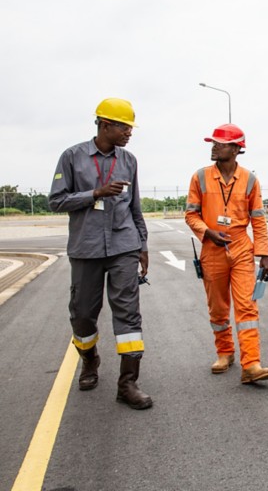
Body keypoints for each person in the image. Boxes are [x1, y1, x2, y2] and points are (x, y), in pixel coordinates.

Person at [48, 98, 152, 410]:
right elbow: (56, 200)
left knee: (128, 313)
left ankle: (128, 383)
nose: (129, 133)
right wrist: (95, 193)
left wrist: (143, 246)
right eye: (124, 126)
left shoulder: (129, 160)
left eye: (130, 127)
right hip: (86, 248)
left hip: (123, 247)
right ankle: (90, 361)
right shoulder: (72, 157)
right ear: (105, 125)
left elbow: (135, 207)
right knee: (82, 315)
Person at [185, 124, 268, 384]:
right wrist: (207, 231)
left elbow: (258, 219)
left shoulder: (250, 180)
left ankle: (252, 364)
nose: (213, 147)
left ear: (236, 149)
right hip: (212, 248)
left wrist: (264, 254)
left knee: (247, 306)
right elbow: (191, 214)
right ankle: (224, 352)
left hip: (240, 247)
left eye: (219, 143)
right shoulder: (200, 177)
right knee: (218, 307)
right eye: (212, 143)